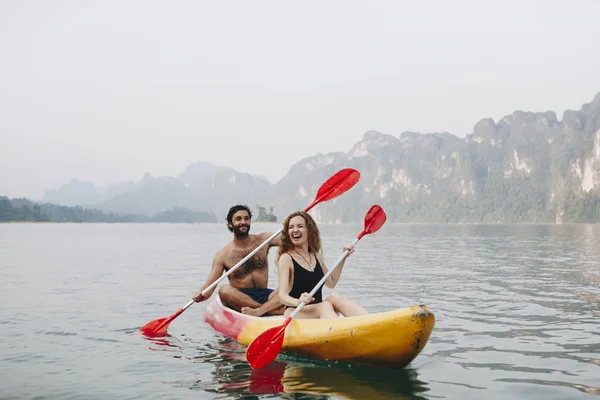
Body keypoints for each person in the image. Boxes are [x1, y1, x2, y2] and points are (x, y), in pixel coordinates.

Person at [192, 204, 284, 316]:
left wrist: (294, 226)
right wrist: (199, 294)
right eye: (238, 219)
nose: (243, 222)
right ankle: (270, 310)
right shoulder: (223, 255)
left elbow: (291, 241)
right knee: (224, 290)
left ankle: (262, 310)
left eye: (246, 218)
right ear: (230, 224)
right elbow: (208, 288)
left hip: (266, 295)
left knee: (289, 285)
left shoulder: (264, 240)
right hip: (240, 298)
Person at [274, 210, 368, 319]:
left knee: (334, 297)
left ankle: (370, 321)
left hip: (318, 309)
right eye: (291, 227)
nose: (295, 230)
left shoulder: (315, 255)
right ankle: (337, 331)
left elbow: (331, 282)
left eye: (300, 226)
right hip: (296, 311)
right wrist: (298, 301)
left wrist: (343, 257)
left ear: (309, 230)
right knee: (325, 305)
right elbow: (282, 296)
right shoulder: (286, 258)